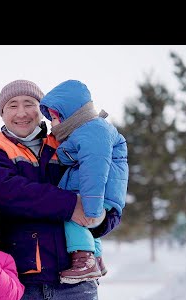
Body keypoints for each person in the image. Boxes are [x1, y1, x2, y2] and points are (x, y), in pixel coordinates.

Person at [0, 79, 121, 300]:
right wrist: (72, 205)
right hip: (17, 283)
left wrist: (100, 219)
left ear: (42, 109)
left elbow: (105, 185)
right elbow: (11, 195)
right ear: (2, 113)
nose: (21, 113)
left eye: (29, 103)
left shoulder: (69, 144)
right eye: (12, 105)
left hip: (76, 283)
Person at [39, 79, 129, 284]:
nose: (52, 124)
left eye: (54, 118)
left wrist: (91, 209)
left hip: (99, 196)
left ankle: (84, 260)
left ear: (69, 115)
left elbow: (94, 172)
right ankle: (96, 259)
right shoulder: (87, 131)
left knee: (73, 217)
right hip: (96, 196)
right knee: (81, 219)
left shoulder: (94, 132)